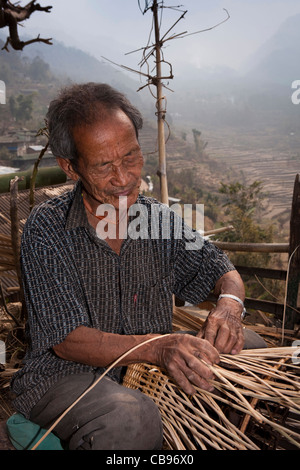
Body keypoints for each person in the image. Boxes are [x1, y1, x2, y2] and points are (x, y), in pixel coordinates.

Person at [11, 83, 265, 450]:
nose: (123, 178)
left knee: (250, 349)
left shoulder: (160, 220)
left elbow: (222, 270)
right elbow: (67, 342)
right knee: (132, 418)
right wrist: (158, 347)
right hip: (65, 376)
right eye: (104, 166)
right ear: (71, 167)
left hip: (147, 370)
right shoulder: (46, 229)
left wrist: (230, 306)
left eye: (130, 157)